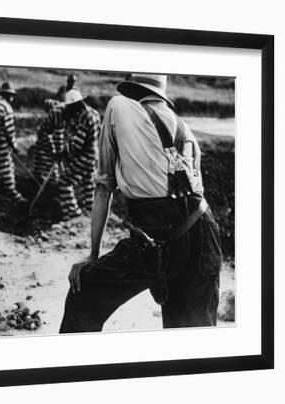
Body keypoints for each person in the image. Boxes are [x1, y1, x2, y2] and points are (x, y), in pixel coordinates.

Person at [59, 74, 222, 333]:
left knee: (85, 291)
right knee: (191, 340)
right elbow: (193, 191)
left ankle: (70, 370)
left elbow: (104, 188)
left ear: (132, 87)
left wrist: (92, 256)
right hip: (205, 234)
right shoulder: (185, 128)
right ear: (161, 94)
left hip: (158, 233)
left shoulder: (118, 106)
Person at [56, 89, 101, 220]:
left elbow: (77, 144)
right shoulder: (95, 113)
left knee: (64, 182)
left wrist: (63, 153)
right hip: (94, 156)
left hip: (84, 157)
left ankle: (74, 215)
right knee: (87, 185)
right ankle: (91, 215)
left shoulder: (85, 117)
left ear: (76, 104)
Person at [33, 86, 67, 183]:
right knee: (47, 164)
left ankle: (53, 183)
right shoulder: (57, 108)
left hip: (56, 139)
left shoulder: (65, 109)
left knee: (55, 164)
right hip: (47, 139)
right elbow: (47, 103)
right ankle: (46, 184)